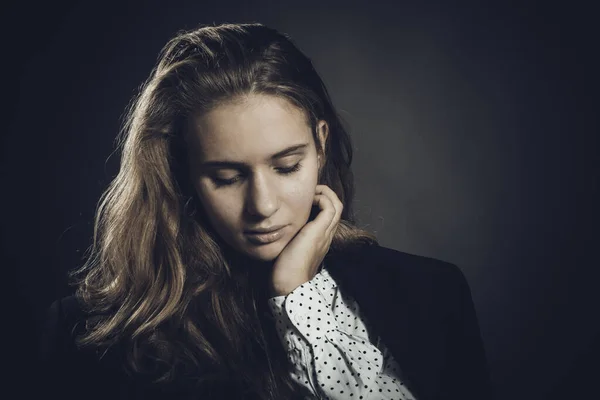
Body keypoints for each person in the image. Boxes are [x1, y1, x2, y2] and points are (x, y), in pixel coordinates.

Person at [38, 22, 493, 400]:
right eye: (227, 176)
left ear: (321, 144)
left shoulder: (432, 295)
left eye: (287, 165)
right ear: (182, 172)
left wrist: (300, 297)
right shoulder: (92, 336)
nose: (263, 206)